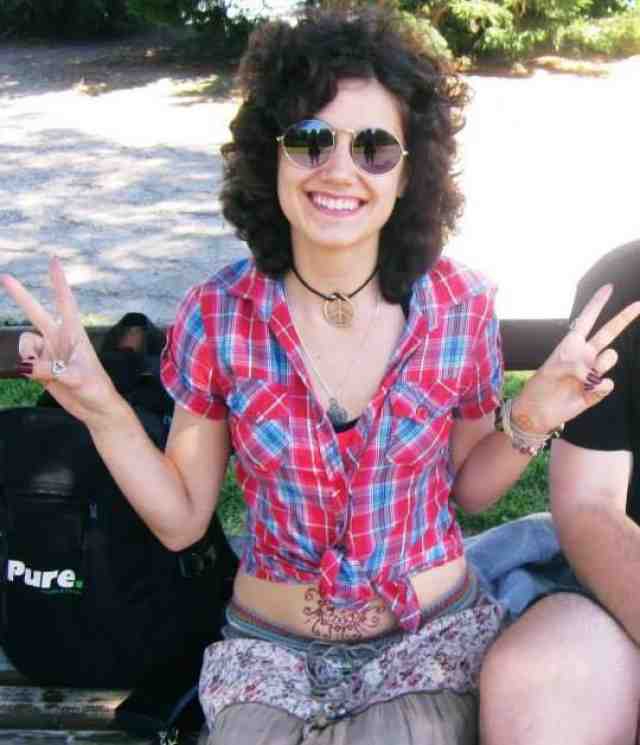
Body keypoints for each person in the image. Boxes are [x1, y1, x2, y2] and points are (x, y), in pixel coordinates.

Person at [2, 9, 638, 744]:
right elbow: (181, 520)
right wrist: (101, 408)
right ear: (269, 156)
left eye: (374, 147)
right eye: (310, 139)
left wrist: (530, 419)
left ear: (409, 172)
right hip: (268, 657)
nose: (339, 168)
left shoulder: (459, 306)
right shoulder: (219, 312)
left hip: (427, 647)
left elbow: (469, 491)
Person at [480, 239, 640, 745]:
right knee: (537, 680)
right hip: (624, 574)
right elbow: (588, 505)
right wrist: (527, 420)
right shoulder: (626, 281)